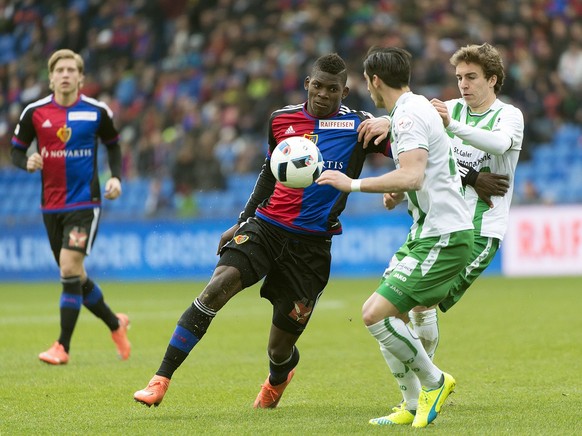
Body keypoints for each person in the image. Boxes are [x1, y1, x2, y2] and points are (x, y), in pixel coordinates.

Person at [133, 53, 391, 408]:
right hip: (266, 228)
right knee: (215, 289)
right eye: (317, 86)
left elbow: (414, 154)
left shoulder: (361, 128)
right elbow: (270, 173)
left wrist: (392, 125)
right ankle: (159, 379)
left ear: (344, 91)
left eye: (333, 89)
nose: (323, 94)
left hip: (311, 247)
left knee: (279, 347)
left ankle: (278, 377)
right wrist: (242, 219)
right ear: (307, 84)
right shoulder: (281, 119)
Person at [316, 46, 474, 428]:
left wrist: (351, 183)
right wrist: (401, 190)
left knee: (374, 316)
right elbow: (430, 166)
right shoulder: (412, 108)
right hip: (428, 232)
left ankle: (434, 382)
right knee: (392, 317)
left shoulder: (406, 117)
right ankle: (408, 402)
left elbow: (413, 174)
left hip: (444, 234)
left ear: (373, 80)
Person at [407, 42, 524, 390]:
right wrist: (472, 177)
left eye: (472, 77)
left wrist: (450, 127)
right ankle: (429, 385)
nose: (464, 85)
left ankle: (427, 386)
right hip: (441, 224)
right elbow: (427, 159)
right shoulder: (451, 109)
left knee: (421, 300)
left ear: (492, 79)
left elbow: (499, 145)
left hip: (481, 228)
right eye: (459, 77)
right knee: (415, 303)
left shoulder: (509, 115)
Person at [10, 49, 131, 365]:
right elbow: (15, 151)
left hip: (84, 203)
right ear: (51, 77)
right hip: (51, 207)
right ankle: (115, 324)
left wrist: (116, 177)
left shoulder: (96, 112)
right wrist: (27, 162)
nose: (65, 74)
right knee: (75, 274)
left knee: (68, 268)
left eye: (71, 70)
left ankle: (62, 346)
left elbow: (113, 145)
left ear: (80, 77)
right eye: (59, 70)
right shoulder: (34, 113)